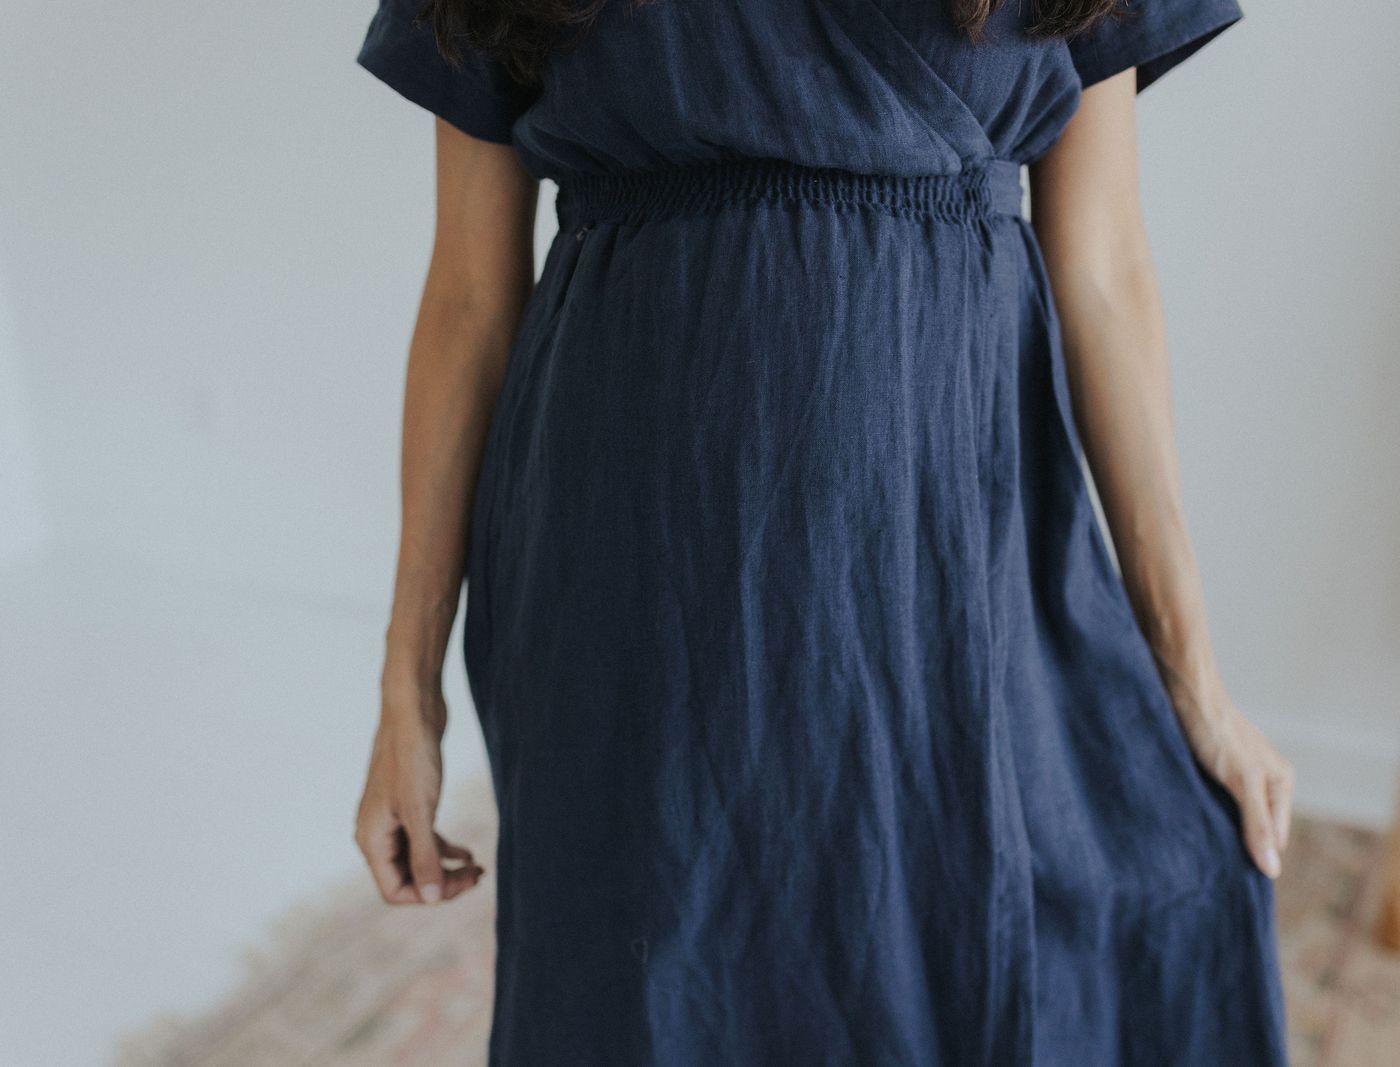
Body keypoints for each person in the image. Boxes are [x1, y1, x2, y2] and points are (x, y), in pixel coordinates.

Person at [351, 0, 1293, 1062]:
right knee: (650, 979)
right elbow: (472, 297)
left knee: (1013, 938)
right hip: (630, 556)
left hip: (957, 550)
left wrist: (1194, 677)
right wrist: (406, 688)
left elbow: (1105, 268)